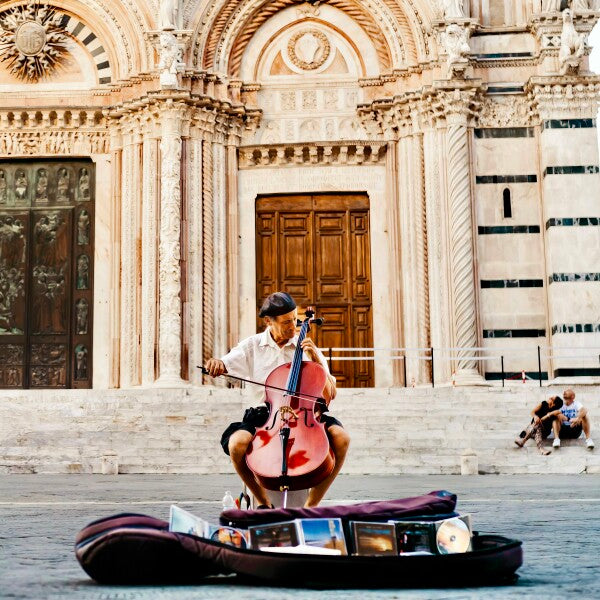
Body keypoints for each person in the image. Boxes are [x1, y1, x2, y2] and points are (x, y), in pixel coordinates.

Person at [205, 291, 350, 509]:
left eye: (294, 320)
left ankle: (311, 506)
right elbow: (225, 364)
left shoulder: (306, 348)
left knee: (341, 438)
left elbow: (330, 393)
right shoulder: (252, 346)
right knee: (236, 445)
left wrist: (318, 359)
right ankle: (263, 501)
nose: (293, 327)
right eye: (286, 323)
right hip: (265, 416)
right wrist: (216, 364)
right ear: (268, 322)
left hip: (303, 414)